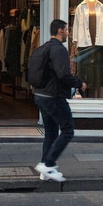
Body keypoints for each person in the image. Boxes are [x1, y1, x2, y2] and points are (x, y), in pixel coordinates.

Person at [33, 19, 86, 182]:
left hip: (40, 95)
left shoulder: (43, 48)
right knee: (68, 130)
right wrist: (79, 83)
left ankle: (45, 169)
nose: (68, 33)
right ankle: (48, 164)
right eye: (67, 30)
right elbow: (63, 74)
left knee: (51, 132)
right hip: (53, 96)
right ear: (60, 31)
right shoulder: (59, 49)